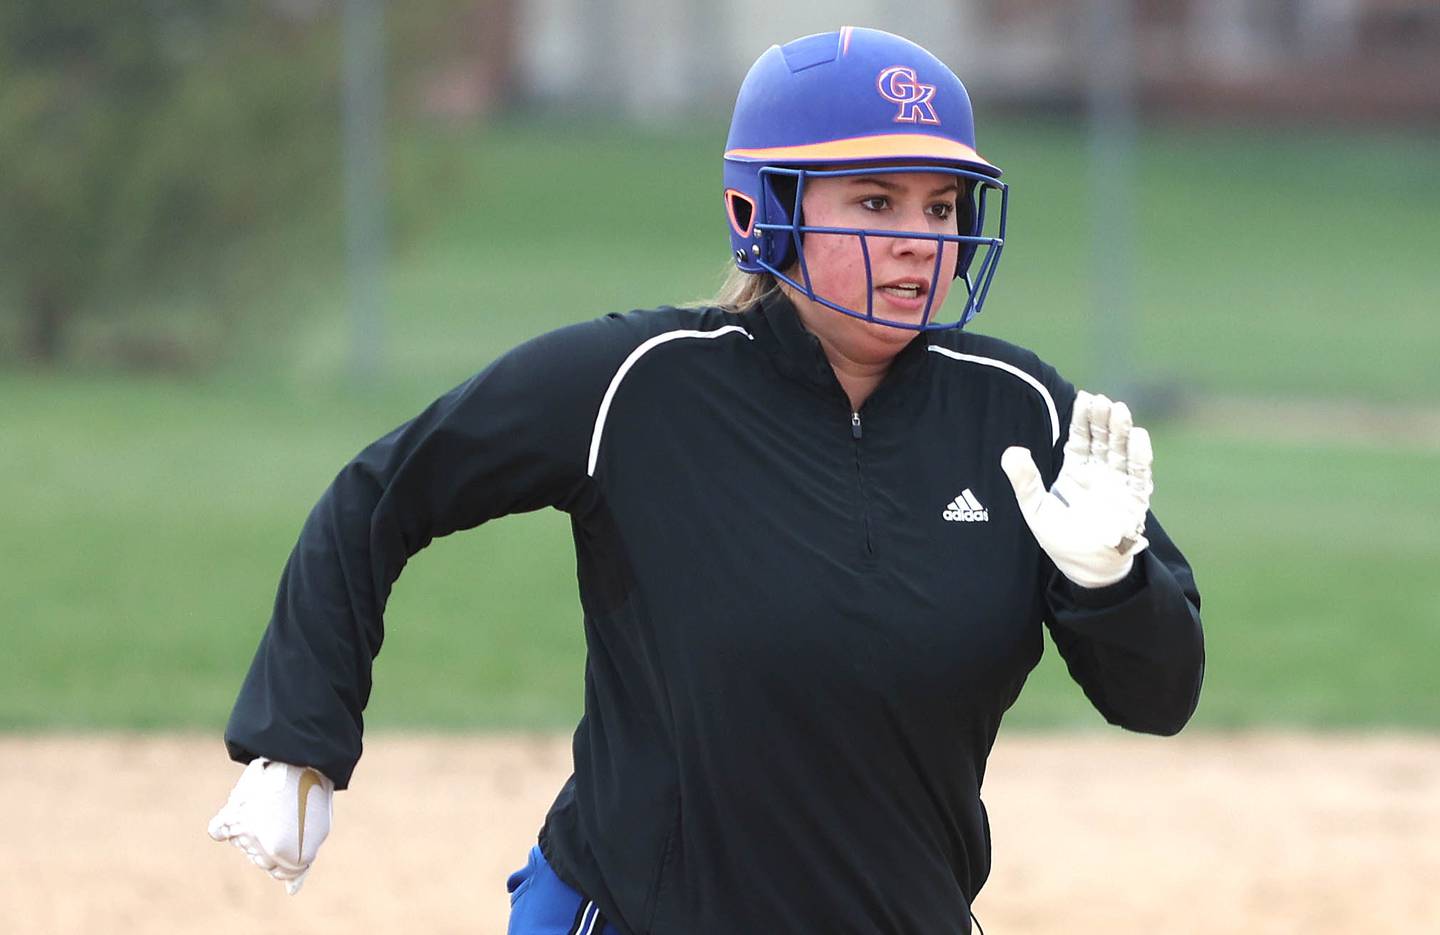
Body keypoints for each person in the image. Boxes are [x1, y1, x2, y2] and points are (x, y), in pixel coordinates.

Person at [208, 26, 1204, 934]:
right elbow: (382, 492)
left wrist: (1111, 586)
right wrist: (297, 735)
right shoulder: (640, 385)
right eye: (874, 200)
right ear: (756, 210)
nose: (919, 238)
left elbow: (1159, 697)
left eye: (941, 205)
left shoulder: (1019, 412)